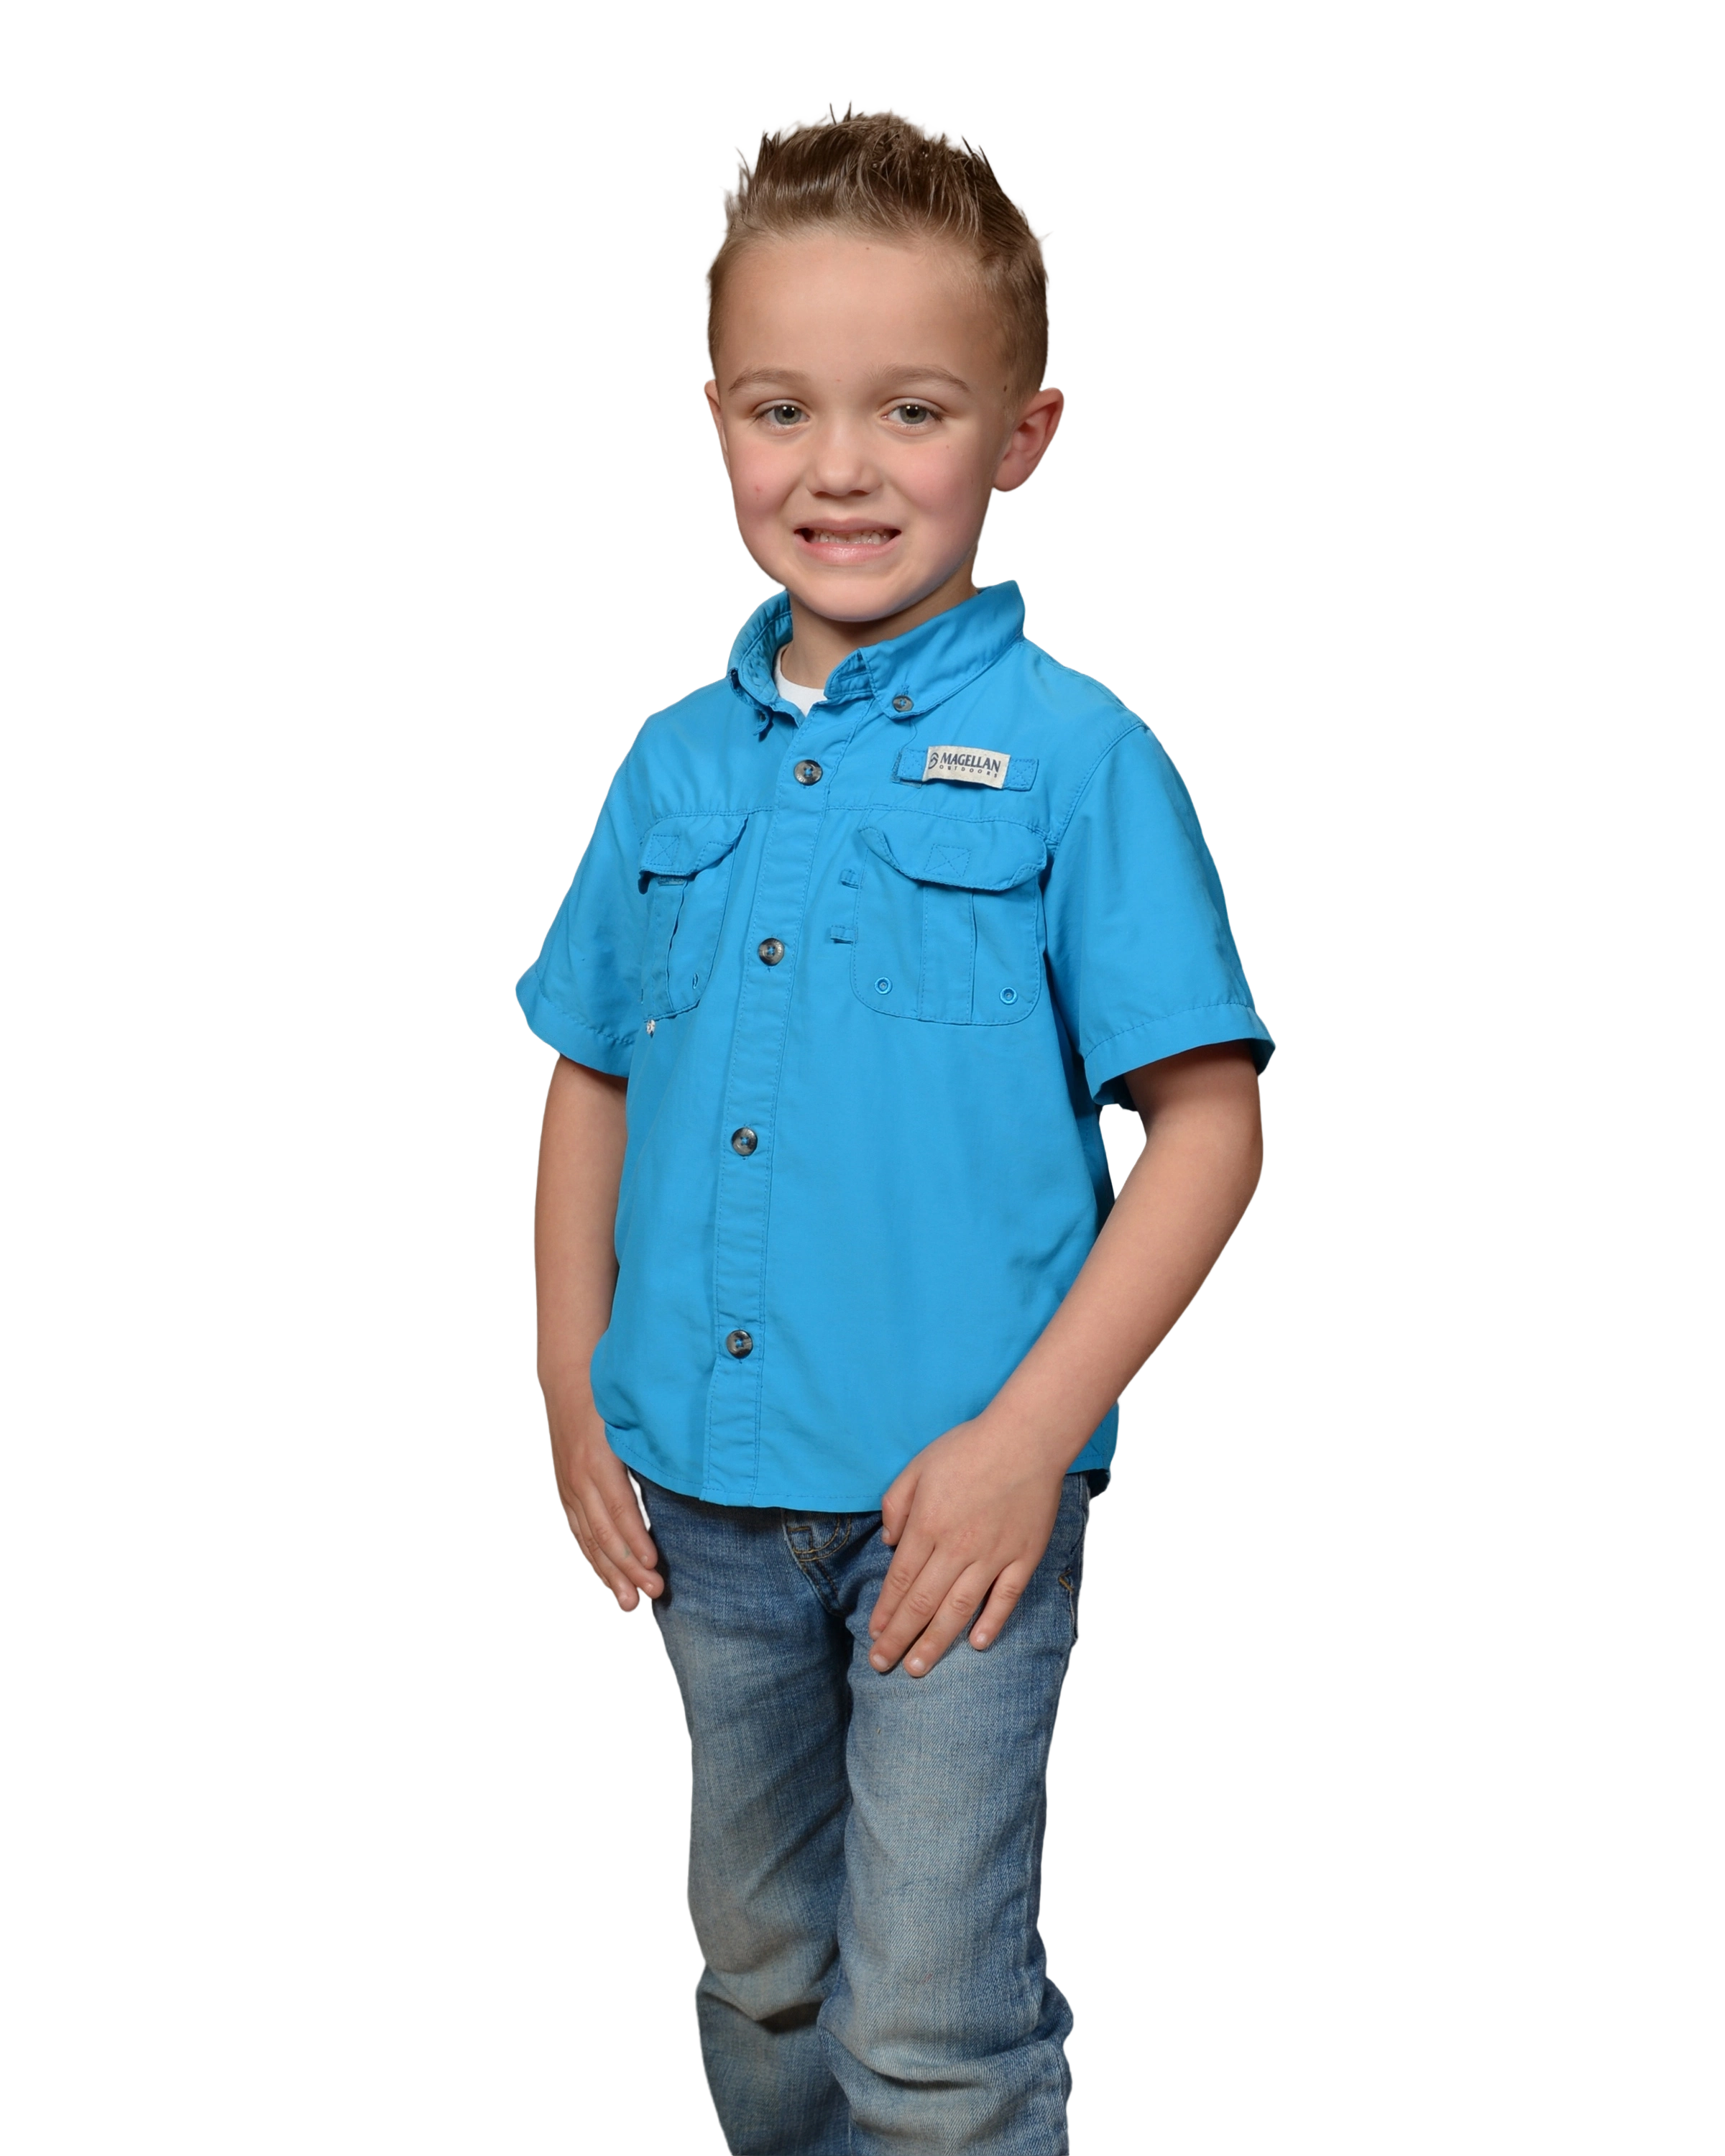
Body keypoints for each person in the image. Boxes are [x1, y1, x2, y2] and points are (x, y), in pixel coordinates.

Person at [516, 99, 1275, 2156]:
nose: (838, 468)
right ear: (717, 425)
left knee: (932, 2022)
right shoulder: (668, 766)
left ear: (1024, 436)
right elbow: (590, 1070)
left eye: (911, 410)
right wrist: (573, 1385)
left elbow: (1208, 1128)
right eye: (783, 409)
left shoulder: (1082, 759)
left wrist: (1030, 1443)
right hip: (696, 1493)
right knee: (764, 1971)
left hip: (958, 1518)